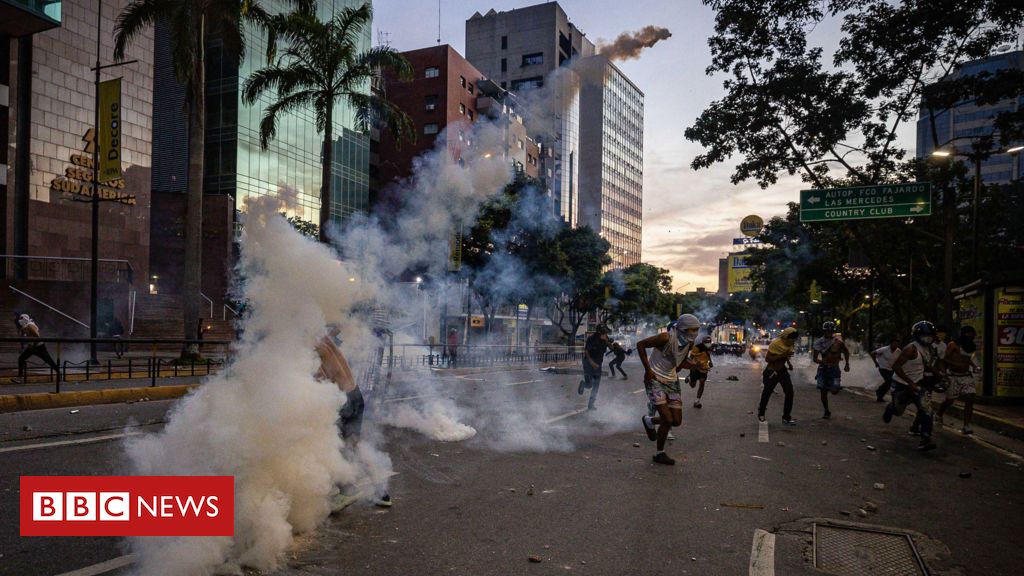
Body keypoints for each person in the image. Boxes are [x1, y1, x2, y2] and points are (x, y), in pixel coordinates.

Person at [315, 327, 391, 509]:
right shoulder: (325, 340)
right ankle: (382, 492)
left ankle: (348, 490)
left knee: (337, 447)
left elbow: (320, 377)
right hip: (355, 396)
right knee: (354, 445)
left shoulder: (313, 347)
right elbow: (335, 331)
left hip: (344, 401)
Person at [638, 314, 700, 465]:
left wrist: (694, 366)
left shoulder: (689, 344)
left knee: (676, 421)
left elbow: (679, 364)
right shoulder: (665, 338)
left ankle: (650, 420)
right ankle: (660, 453)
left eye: (697, 330)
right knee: (667, 418)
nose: (695, 333)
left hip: (672, 381)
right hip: (655, 379)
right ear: (684, 328)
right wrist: (648, 370)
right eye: (693, 329)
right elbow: (640, 345)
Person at [885, 321, 938, 451]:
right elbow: (896, 366)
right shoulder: (911, 349)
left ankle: (925, 437)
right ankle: (891, 407)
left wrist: (939, 375)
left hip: (918, 384)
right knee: (898, 411)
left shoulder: (929, 349)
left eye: (930, 335)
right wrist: (910, 382)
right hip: (902, 384)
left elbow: (925, 365)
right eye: (925, 335)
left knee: (926, 409)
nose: (928, 338)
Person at [936, 326, 979, 435]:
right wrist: (946, 372)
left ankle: (966, 425)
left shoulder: (970, 346)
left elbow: (968, 359)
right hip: (953, 376)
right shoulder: (953, 345)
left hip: (965, 376)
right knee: (950, 400)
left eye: (971, 334)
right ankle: (939, 414)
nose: (969, 336)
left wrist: (974, 366)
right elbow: (944, 359)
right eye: (967, 334)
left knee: (970, 397)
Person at [758, 327, 799, 424]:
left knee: (789, 392)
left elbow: (786, 354)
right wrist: (782, 356)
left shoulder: (791, 344)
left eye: (794, 338)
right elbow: (768, 359)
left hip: (782, 371)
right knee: (767, 393)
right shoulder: (776, 344)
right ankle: (761, 412)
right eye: (791, 338)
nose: (792, 340)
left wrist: (788, 363)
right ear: (785, 337)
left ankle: (786, 417)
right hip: (772, 371)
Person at [812, 321, 850, 419]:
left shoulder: (838, 342)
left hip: (835, 369)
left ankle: (829, 386)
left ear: (833, 331)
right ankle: (826, 411)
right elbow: (815, 359)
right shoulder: (818, 342)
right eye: (827, 330)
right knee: (823, 391)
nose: (828, 332)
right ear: (824, 331)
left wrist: (847, 363)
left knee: (835, 390)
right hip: (823, 369)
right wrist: (822, 362)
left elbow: (846, 351)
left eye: (830, 331)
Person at [13, 313, 60, 384]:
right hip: (32, 346)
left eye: (21, 319)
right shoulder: (25, 327)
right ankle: (20, 378)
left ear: (25, 319)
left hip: (39, 346)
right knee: (21, 358)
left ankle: (59, 373)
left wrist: (33, 346)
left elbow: (37, 337)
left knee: (48, 360)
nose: (20, 321)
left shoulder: (30, 326)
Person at [578, 325, 611, 410]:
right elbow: (586, 351)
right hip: (588, 363)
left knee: (596, 385)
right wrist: (591, 362)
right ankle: (583, 384)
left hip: (598, 365)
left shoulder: (605, 338)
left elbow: (612, 348)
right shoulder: (592, 338)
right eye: (605, 332)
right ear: (600, 331)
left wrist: (607, 341)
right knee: (589, 384)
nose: (606, 334)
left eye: (606, 332)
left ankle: (591, 404)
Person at [870, 335, 901, 402]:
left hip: (891, 369)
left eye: (897, 344)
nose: (895, 345)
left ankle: (880, 395)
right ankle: (879, 392)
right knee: (889, 381)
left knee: (889, 383)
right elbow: (872, 353)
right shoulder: (884, 349)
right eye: (894, 343)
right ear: (891, 343)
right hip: (883, 368)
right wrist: (876, 362)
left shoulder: (898, 351)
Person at [688, 336, 714, 408]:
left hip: (704, 368)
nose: (708, 343)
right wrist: (691, 365)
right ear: (703, 342)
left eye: (709, 342)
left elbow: (708, 355)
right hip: (695, 368)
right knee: (693, 385)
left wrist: (710, 362)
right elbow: (691, 357)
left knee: (702, 383)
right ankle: (691, 379)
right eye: (707, 342)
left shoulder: (709, 348)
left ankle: (697, 401)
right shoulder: (697, 347)